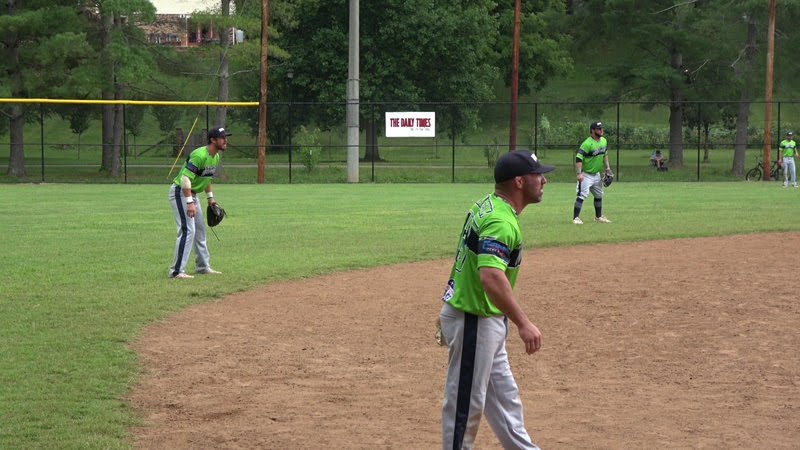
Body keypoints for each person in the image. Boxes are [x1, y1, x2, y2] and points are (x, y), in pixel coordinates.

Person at [439, 149, 554, 450]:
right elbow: (490, 276)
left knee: (505, 403)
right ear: (519, 182)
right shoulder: (501, 221)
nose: (544, 180)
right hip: (474, 319)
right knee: (465, 407)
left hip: (482, 318)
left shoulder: (489, 205)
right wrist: (523, 323)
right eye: (538, 175)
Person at [168, 126, 231, 279]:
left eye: (226, 137)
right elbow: (185, 178)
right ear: (213, 140)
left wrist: (210, 199)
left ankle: (202, 267)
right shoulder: (199, 155)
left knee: (200, 231)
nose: (226, 140)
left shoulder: (215, 157)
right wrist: (189, 202)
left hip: (192, 194)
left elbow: (206, 178)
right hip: (181, 192)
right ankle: (176, 271)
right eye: (222, 138)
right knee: (188, 230)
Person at [573, 121, 613, 224]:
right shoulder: (587, 143)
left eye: (601, 128)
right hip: (586, 174)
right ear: (592, 130)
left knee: (599, 195)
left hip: (597, 175)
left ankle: (598, 217)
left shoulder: (604, 141)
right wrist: (579, 173)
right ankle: (576, 218)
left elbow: (605, 155)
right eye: (599, 129)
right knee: (582, 195)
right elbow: (579, 158)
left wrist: (608, 168)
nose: (601, 130)